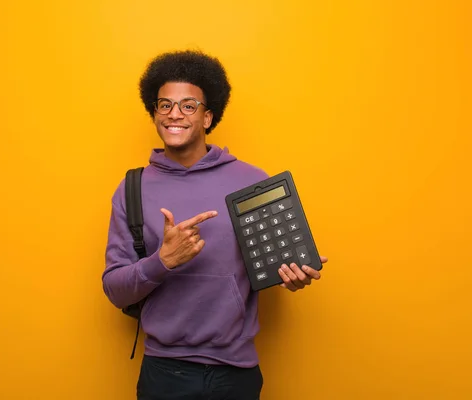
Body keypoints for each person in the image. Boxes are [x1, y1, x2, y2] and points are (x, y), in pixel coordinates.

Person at [102, 50, 328, 400]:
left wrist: (293, 276)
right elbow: (115, 289)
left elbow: (275, 261)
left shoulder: (252, 181)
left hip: (235, 374)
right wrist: (163, 261)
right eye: (164, 105)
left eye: (188, 105)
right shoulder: (132, 188)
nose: (174, 113)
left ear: (207, 117)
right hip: (163, 372)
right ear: (155, 113)